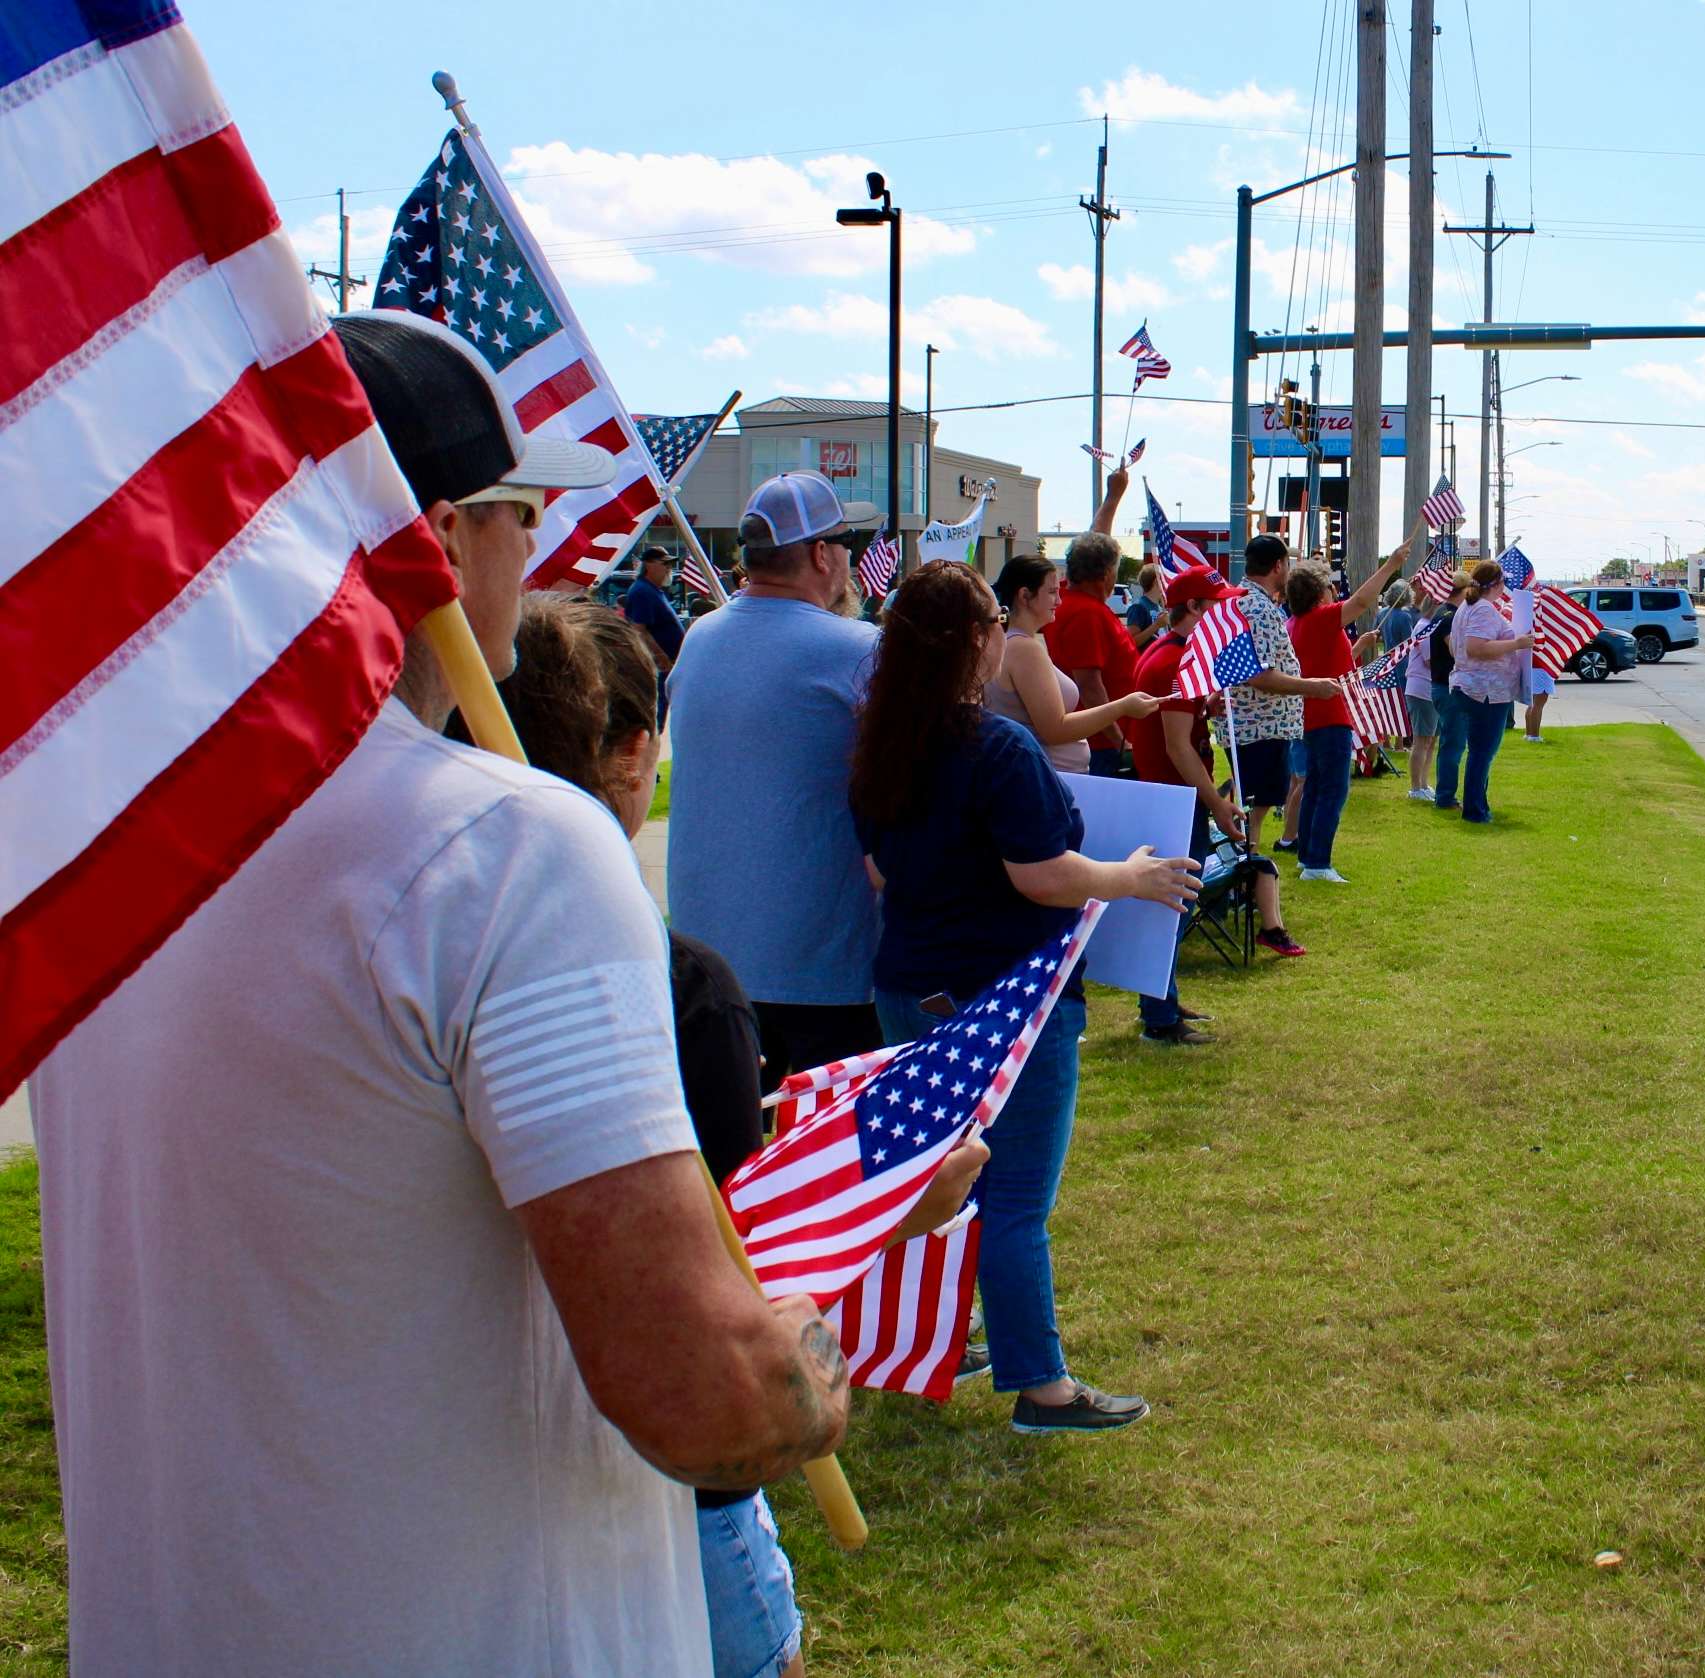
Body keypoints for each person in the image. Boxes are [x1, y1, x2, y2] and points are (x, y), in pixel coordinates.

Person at [28, 309, 850, 1674]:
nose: (536, 557)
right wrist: (801, 1368)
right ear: (445, 537)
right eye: (522, 511)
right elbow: (703, 1400)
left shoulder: (102, 861)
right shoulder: (505, 846)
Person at [489, 594, 987, 1678]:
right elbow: (716, 1258)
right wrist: (891, 1208)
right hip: (670, 1489)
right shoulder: (678, 995)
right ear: (630, 753)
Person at [849, 562, 1201, 1432]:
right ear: (978, 643)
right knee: (1012, 1200)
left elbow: (877, 869)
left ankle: (942, 1342)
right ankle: (1041, 1387)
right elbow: (1042, 875)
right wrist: (1128, 876)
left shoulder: (879, 741)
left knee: (938, 1184)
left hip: (909, 986)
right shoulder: (992, 747)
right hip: (1011, 1001)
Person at [669, 471, 885, 1085]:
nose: (849, 560)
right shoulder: (860, 648)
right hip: (823, 967)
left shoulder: (698, 638)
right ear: (821, 554)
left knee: (728, 1166)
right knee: (832, 1164)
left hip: (708, 960)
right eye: (846, 545)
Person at [1128, 570, 1309, 968]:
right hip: (1174, 799)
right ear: (1193, 608)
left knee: (1175, 905)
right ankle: (1159, 1014)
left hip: (1171, 796)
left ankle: (1164, 1006)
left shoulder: (1170, 653)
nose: (1228, 612)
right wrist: (1216, 803)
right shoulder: (1174, 660)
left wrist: (1202, 706)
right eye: (1218, 604)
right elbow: (1177, 747)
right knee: (1173, 908)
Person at [1283, 531, 1413, 883]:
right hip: (1328, 717)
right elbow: (1360, 601)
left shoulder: (1294, 623)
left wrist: (1356, 649)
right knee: (1332, 791)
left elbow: (1328, 663)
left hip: (1310, 716)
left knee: (1315, 787)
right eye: (1328, 587)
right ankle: (1317, 864)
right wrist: (1391, 565)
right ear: (1317, 594)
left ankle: (1307, 856)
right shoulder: (1320, 618)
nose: (1334, 593)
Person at [988, 555, 1162, 772]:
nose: (1059, 601)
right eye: (1052, 592)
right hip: (1049, 779)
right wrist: (1123, 707)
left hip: (1041, 775)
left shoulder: (1009, 641)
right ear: (1025, 595)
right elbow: (1055, 729)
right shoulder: (1024, 649)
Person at [1233, 533, 1344, 856]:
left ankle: (1246, 869)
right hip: (1260, 724)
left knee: (1259, 804)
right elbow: (1260, 675)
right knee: (1255, 808)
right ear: (1278, 565)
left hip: (1259, 723)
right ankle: (1246, 871)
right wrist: (1313, 686)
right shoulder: (1259, 607)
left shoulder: (1244, 599)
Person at [1436, 558, 1532, 822]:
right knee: (1482, 752)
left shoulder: (1466, 608)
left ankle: (1478, 805)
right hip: (1485, 691)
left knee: (1477, 750)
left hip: (1469, 686)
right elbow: (1476, 647)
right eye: (1503, 582)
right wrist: (1517, 643)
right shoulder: (1483, 609)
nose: (1505, 587)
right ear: (1496, 584)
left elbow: (1457, 649)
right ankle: (1475, 810)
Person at [1043, 528, 1140, 777]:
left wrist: (1113, 497)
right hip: (1103, 745)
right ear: (1107, 574)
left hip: (1100, 739)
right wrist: (1120, 742)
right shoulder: (1087, 614)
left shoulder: (1069, 598)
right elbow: (1090, 686)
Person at [1403, 581, 1450, 801]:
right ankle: (1415, 787)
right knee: (1421, 740)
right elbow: (1431, 660)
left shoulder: (1431, 626)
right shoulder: (1423, 627)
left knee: (1431, 740)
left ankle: (1424, 782)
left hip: (1430, 688)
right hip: (1420, 688)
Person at [622, 543, 685, 701]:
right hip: (659, 667)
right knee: (660, 711)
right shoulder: (642, 591)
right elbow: (639, 630)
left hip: (668, 664)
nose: (669, 568)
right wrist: (661, 658)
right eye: (665, 563)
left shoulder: (653, 590)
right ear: (648, 565)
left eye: (670, 564)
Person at [1125, 561, 1167, 647]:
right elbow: (1131, 642)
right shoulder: (1138, 607)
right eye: (1163, 578)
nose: (1166, 583)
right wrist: (1156, 625)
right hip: (1145, 659)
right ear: (1156, 582)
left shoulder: (1159, 607)